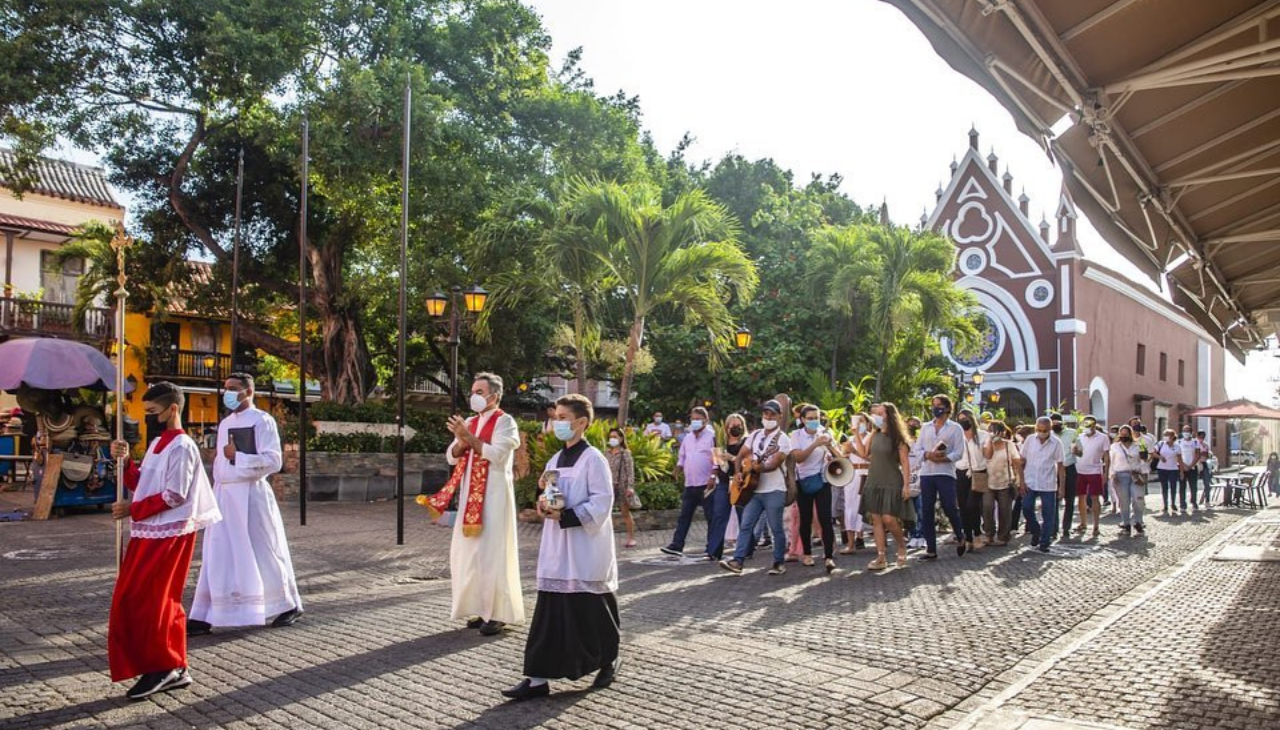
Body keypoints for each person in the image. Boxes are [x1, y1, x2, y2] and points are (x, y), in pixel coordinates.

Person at [107, 382, 221, 700]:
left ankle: (167, 666)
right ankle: (168, 664)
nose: (150, 419)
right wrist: (126, 461)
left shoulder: (183, 446)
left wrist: (134, 508)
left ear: (172, 409)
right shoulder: (158, 442)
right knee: (135, 599)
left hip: (168, 534)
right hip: (149, 531)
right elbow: (141, 482)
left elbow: (175, 494)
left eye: (154, 412)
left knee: (154, 600)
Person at [502, 394, 620, 701]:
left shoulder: (594, 459)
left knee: (591, 609)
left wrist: (567, 515)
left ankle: (609, 658)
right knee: (550, 612)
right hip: (557, 547)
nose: (557, 423)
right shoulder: (555, 459)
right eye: (556, 417)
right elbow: (551, 493)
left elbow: (602, 502)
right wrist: (543, 506)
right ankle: (537, 678)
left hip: (584, 546)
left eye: (564, 418)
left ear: (581, 422)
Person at [189, 373, 302, 634]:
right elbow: (220, 462)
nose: (227, 392)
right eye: (225, 388)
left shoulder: (263, 420)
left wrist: (238, 457)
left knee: (262, 550)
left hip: (251, 495)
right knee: (218, 553)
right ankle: (206, 613)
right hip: (225, 495)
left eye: (233, 388)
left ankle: (285, 604)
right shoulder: (226, 423)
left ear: (248, 392)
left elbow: (274, 461)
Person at [420, 374, 523, 636]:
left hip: (495, 495)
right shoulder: (470, 422)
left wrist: (468, 438)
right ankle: (480, 608)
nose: (474, 395)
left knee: (492, 553)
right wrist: (463, 439)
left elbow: (497, 454)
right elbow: (452, 456)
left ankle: (498, 613)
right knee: (470, 554)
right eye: (473, 390)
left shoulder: (506, 422)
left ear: (494, 396)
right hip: (470, 496)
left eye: (480, 391)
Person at [719, 400, 791, 576]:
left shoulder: (783, 440)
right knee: (746, 525)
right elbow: (739, 457)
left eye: (772, 414)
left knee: (776, 528)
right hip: (754, 490)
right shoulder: (755, 435)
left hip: (774, 489)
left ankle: (778, 562)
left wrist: (761, 468)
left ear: (779, 416)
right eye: (766, 414)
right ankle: (738, 561)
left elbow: (774, 463)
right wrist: (738, 473)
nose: (768, 417)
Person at [857, 402, 914, 569]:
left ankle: (901, 546)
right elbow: (863, 453)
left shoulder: (898, 438)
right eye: (876, 413)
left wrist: (906, 485)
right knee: (876, 519)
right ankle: (881, 556)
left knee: (889, 518)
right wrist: (857, 434)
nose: (877, 416)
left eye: (881, 413)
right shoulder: (874, 435)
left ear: (890, 416)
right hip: (874, 480)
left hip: (891, 481)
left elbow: (905, 462)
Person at [913, 394, 967, 560]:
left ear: (947, 408)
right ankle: (931, 548)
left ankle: (960, 534)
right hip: (928, 472)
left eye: (938, 405)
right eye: (933, 405)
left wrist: (944, 457)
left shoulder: (955, 428)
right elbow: (917, 449)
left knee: (949, 506)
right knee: (927, 509)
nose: (935, 408)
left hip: (945, 472)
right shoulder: (926, 427)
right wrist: (928, 454)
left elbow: (959, 452)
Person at [661, 407, 719, 558]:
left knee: (711, 516)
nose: (694, 422)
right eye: (692, 419)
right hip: (690, 483)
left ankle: (712, 548)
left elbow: (717, 459)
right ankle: (677, 545)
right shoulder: (687, 438)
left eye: (697, 419)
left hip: (706, 483)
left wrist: (713, 476)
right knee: (684, 516)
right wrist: (678, 468)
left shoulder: (713, 436)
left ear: (705, 420)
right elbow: (682, 456)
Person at [790, 404, 837, 572]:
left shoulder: (825, 433)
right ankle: (807, 554)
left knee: (826, 519)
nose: (814, 421)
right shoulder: (796, 435)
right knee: (806, 518)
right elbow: (799, 458)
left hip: (823, 480)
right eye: (810, 418)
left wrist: (830, 447)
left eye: (816, 418)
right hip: (803, 481)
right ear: (802, 420)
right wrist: (815, 444)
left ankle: (829, 556)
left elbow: (839, 456)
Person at [1018, 416, 1065, 553]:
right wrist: (1021, 481)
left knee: (1048, 513)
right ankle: (1036, 530)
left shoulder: (1056, 443)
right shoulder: (1030, 440)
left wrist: (1062, 486)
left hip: (1048, 482)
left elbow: (1061, 466)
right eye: (1039, 429)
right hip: (1030, 481)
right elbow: (1021, 461)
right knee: (1026, 508)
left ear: (1050, 429)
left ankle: (1045, 541)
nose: (1041, 432)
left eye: (1044, 430)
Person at [954, 409, 988, 553]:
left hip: (978, 472)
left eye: (965, 418)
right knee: (962, 507)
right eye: (960, 419)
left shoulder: (983, 436)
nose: (962, 421)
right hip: (960, 472)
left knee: (971, 505)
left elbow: (987, 455)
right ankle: (968, 537)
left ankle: (977, 533)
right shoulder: (956, 436)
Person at [1072, 415, 1110, 539]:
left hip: (1094, 470)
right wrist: (1074, 451)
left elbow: (1106, 456)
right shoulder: (1079, 436)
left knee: (1095, 498)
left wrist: (1105, 473)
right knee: (1080, 498)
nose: (1087, 427)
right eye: (1085, 425)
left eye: (1089, 425)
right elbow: (1077, 452)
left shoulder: (1103, 437)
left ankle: (1096, 525)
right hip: (1079, 470)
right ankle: (1083, 523)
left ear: (1094, 425)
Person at [715, 413, 748, 556]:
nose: (735, 428)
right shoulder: (721, 443)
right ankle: (715, 550)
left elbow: (747, 463)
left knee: (744, 517)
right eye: (732, 425)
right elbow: (717, 464)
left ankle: (746, 549)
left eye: (738, 425)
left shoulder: (746, 442)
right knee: (719, 514)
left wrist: (732, 458)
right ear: (727, 427)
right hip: (723, 482)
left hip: (740, 482)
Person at [981, 420, 1019, 546]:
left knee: (1005, 511)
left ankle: (1003, 536)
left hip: (1005, 482)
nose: (993, 434)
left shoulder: (1009, 445)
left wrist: (1019, 480)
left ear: (1003, 432)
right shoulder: (985, 444)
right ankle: (989, 534)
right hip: (987, 481)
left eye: (996, 431)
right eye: (991, 430)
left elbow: (1016, 461)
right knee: (987, 508)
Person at [840, 413, 871, 553]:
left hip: (868, 473)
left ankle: (863, 537)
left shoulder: (872, 438)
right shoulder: (849, 439)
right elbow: (843, 457)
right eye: (856, 421)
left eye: (862, 421)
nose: (859, 424)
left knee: (866, 508)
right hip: (852, 475)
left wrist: (855, 451)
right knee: (850, 507)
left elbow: (872, 458)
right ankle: (851, 543)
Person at [1110, 425, 1145, 537]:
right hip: (1120, 475)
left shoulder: (1138, 446)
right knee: (1124, 501)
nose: (1124, 435)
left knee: (1138, 499)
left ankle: (1138, 521)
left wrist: (1143, 473)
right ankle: (1126, 523)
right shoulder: (1115, 446)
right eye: (1122, 433)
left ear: (1131, 434)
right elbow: (1112, 461)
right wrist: (1112, 475)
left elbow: (1144, 460)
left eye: (1126, 433)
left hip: (1135, 474)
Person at [605, 427, 637, 549]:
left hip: (622, 486)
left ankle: (631, 537)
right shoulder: (607, 453)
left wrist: (630, 487)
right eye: (611, 437)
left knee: (625, 513)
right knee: (606, 513)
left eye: (615, 437)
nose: (612, 439)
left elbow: (630, 471)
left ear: (621, 438)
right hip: (609, 486)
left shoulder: (625, 453)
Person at [1051, 413, 1079, 540]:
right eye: (1053, 423)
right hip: (1054, 470)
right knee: (1054, 500)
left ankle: (1066, 527)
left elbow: (1081, 452)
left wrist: (1076, 451)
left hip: (1069, 468)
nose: (1055, 425)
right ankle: (1053, 528)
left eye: (1057, 423)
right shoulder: (1049, 435)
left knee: (1070, 499)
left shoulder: (1072, 433)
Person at [904, 416, 926, 549]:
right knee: (909, 511)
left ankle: (922, 536)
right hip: (906, 478)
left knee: (921, 509)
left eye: (915, 425)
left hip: (921, 477)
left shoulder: (922, 443)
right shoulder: (902, 443)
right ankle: (913, 535)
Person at [1155, 429, 1183, 515]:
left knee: (1173, 486)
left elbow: (1179, 459)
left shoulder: (1177, 446)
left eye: (1167, 435)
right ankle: (1165, 504)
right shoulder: (1160, 444)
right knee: (1164, 487)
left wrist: (1181, 471)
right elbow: (1153, 453)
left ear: (1172, 436)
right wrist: (1160, 457)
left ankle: (1173, 503)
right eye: (1165, 434)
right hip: (1162, 468)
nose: (1166, 436)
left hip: (1173, 468)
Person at [1177, 425, 1201, 514]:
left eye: (1187, 430)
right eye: (1184, 430)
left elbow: (1198, 455)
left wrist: (1191, 465)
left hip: (1192, 467)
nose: (1186, 432)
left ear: (1191, 432)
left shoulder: (1195, 442)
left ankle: (1194, 502)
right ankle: (1182, 504)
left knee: (1193, 486)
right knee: (1182, 486)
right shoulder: (1179, 442)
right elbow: (1177, 455)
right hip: (1181, 467)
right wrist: (1183, 466)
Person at [1196, 430, 1213, 510]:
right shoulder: (1194, 443)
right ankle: (1194, 502)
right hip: (1196, 464)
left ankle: (1207, 501)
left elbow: (1209, 454)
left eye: (1203, 436)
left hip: (1204, 463)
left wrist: (1208, 455)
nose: (1201, 438)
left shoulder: (1206, 444)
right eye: (1200, 436)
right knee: (1193, 484)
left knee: (1207, 483)